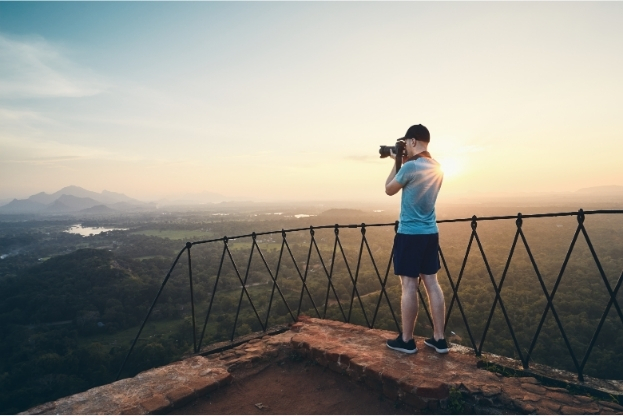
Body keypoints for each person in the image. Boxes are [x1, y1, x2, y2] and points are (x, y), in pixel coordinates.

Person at [384, 124, 448, 354]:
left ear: (412, 141)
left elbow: (389, 189)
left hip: (410, 234)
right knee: (432, 282)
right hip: (430, 232)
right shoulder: (437, 167)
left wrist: (396, 162)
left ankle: (407, 341)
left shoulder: (410, 167)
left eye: (406, 144)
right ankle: (439, 339)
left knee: (409, 284)